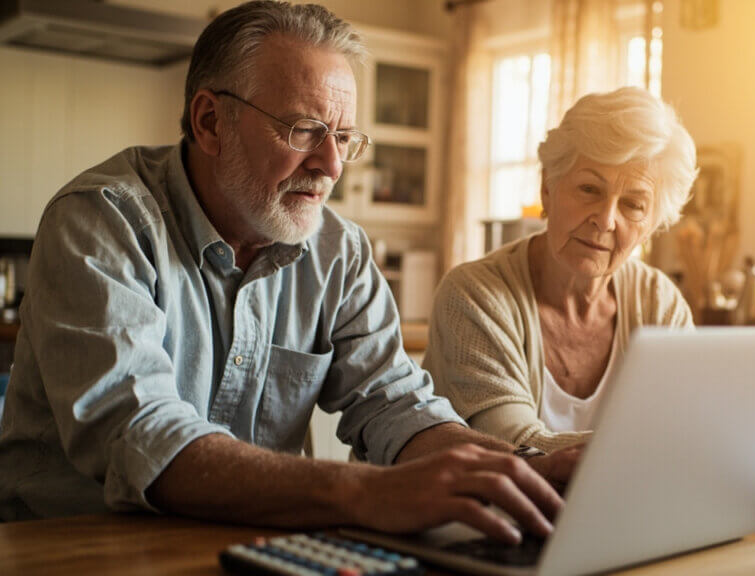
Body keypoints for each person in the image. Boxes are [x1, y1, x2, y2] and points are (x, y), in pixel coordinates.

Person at [0, 1, 577, 545]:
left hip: (252, 542)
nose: (330, 166)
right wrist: (366, 492)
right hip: (71, 548)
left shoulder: (339, 250)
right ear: (210, 122)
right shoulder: (103, 220)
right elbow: (140, 436)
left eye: (344, 138)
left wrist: (526, 472)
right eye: (304, 130)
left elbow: (396, 406)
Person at [422, 87, 755, 467]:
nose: (606, 219)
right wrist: (686, 445)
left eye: (633, 204)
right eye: (589, 189)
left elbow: (697, 451)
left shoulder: (658, 302)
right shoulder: (475, 296)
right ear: (547, 190)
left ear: (654, 224)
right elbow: (517, 448)